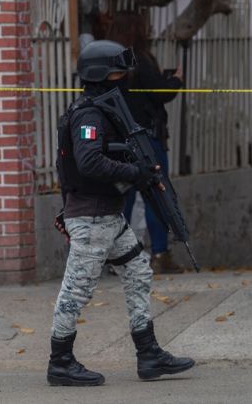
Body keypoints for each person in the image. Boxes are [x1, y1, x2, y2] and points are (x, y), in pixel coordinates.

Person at [48, 39, 195, 386]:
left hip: (109, 217)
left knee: (138, 272)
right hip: (91, 217)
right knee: (76, 290)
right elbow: (89, 161)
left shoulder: (104, 108)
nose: (124, 76)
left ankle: (149, 354)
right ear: (102, 74)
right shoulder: (88, 114)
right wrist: (134, 172)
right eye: (118, 70)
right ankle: (60, 362)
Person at [107, 11, 185, 274]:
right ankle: (160, 254)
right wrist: (176, 80)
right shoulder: (139, 59)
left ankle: (118, 257)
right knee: (156, 197)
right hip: (147, 140)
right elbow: (160, 92)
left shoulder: (110, 62)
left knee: (122, 200)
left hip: (119, 142)